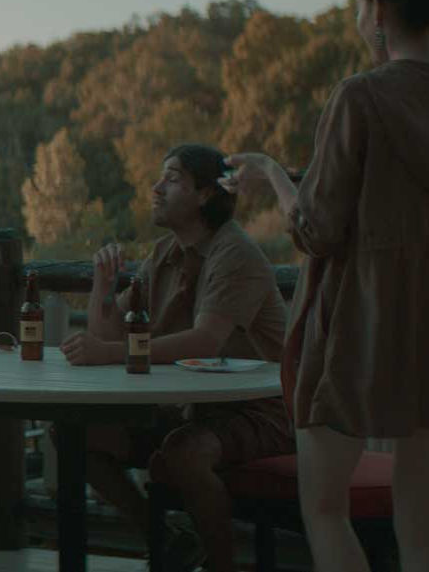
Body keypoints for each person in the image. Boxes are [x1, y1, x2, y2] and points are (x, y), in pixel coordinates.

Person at [220, 0, 429, 569]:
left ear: (380, 10)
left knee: (325, 509)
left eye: (361, 7)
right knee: (422, 530)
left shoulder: (361, 95)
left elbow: (316, 228)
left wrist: (271, 176)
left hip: (361, 328)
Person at [60, 143, 293, 572]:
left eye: (171, 178)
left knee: (183, 451)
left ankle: (222, 565)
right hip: (192, 406)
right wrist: (102, 287)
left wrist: (106, 353)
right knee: (76, 433)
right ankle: (165, 542)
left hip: (263, 409)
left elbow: (205, 340)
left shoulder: (235, 253)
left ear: (204, 194)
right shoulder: (164, 254)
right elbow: (107, 334)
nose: (155, 188)